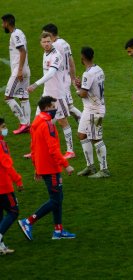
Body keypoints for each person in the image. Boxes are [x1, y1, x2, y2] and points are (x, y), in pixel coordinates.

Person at [18, 96, 75, 240]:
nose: (55, 109)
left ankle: (58, 230)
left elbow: (34, 147)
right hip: (51, 167)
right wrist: (66, 165)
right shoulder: (48, 124)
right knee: (55, 200)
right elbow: (53, 149)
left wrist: (36, 167)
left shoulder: (36, 122)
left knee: (58, 198)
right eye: (53, 107)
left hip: (43, 166)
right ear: (47, 108)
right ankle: (28, 221)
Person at [27, 32, 75, 159]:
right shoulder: (45, 54)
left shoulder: (56, 56)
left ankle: (70, 151)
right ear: (41, 43)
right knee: (36, 124)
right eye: (44, 42)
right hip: (46, 93)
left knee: (62, 121)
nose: (47, 44)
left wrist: (35, 84)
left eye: (49, 41)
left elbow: (51, 73)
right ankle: (35, 150)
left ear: (52, 41)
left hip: (58, 95)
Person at [75, 46, 110, 178]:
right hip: (89, 109)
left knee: (96, 138)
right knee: (82, 135)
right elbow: (91, 87)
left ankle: (104, 169)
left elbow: (83, 94)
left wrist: (78, 89)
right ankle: (90, 166)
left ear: (82, 58)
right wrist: (81, 86)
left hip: (95, 111)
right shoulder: (98, 69)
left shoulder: (88, 73)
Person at [42, 23, 82, 123]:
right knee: (64, 106)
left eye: (45, 35)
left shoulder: (54, 46)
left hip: (59, 81)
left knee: (66, 107)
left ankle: (85, 123)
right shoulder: (64, 43)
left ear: (51, 35)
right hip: (65, 79)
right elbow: (71, 62)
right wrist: (72, 79)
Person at [1, 14, 31, 134]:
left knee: (8, 97)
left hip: (19, 70)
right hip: (24, 68)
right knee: (23, 97)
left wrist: (19, 70)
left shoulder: (15, 35)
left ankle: (24, 122)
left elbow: (22, 51)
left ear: (7, 23)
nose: (2, 25)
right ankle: (27, 125)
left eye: (3, 23)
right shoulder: (19, 32)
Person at [0, 117, 24, 254]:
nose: (5, 129)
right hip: (3, 186)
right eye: (2, 127)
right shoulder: (1, 144)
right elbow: (7, 165)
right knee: (13, 211)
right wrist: (18, 180)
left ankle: (1, 247)